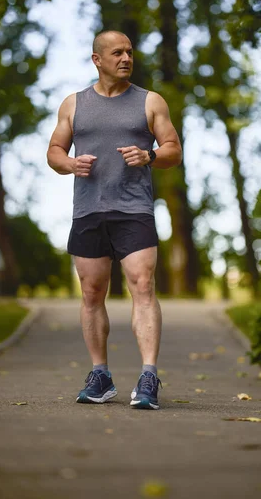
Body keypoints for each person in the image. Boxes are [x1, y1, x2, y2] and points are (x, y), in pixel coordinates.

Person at [47, 30, 182, 410]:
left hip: (134, 208)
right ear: (97, 59)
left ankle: (149, 376)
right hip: (88, 210)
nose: (126, 58)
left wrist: (150, 156)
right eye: (117, 52)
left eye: (130, 52)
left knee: (143, 284)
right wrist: (70, 163)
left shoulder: (150, 101)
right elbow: (54, 151)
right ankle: (100, 376)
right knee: (92, 293)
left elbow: (173, 149)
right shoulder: (74, 104)